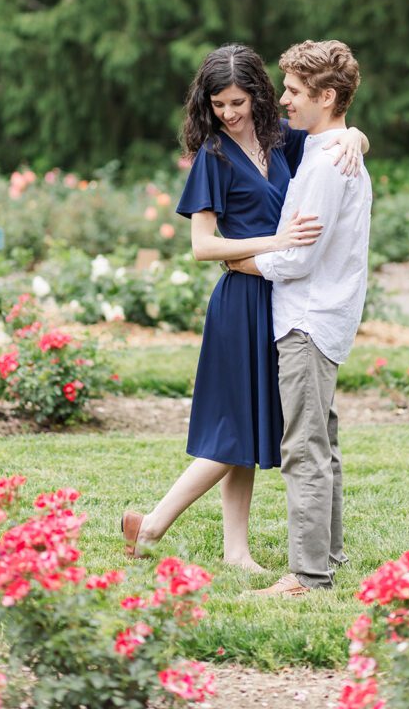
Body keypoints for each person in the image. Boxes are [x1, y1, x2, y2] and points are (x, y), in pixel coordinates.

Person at [121, 44, 367, 571]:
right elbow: (203, 247)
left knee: (253, 424)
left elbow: (334, 131)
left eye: (237, 101)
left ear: (257, 96)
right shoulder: (212, 157)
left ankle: (236, 551)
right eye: (218, 104)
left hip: (280, 299)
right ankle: (153, 525)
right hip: (241, 299)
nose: (228, 114)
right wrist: (275, 244)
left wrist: (355, 136)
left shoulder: (283, 141)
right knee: (235, 429)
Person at [227, 40, 372, 595]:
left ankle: (308, 575)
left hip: (308, 320)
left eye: (293, 90)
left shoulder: (328, 165)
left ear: (326, 96)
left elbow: (297, 256)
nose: (283, 99)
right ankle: (327, 555)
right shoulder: (332, 149)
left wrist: (240, 259)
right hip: (323, 318)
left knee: (304, 448)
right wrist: (357, 132)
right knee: (322, 443)